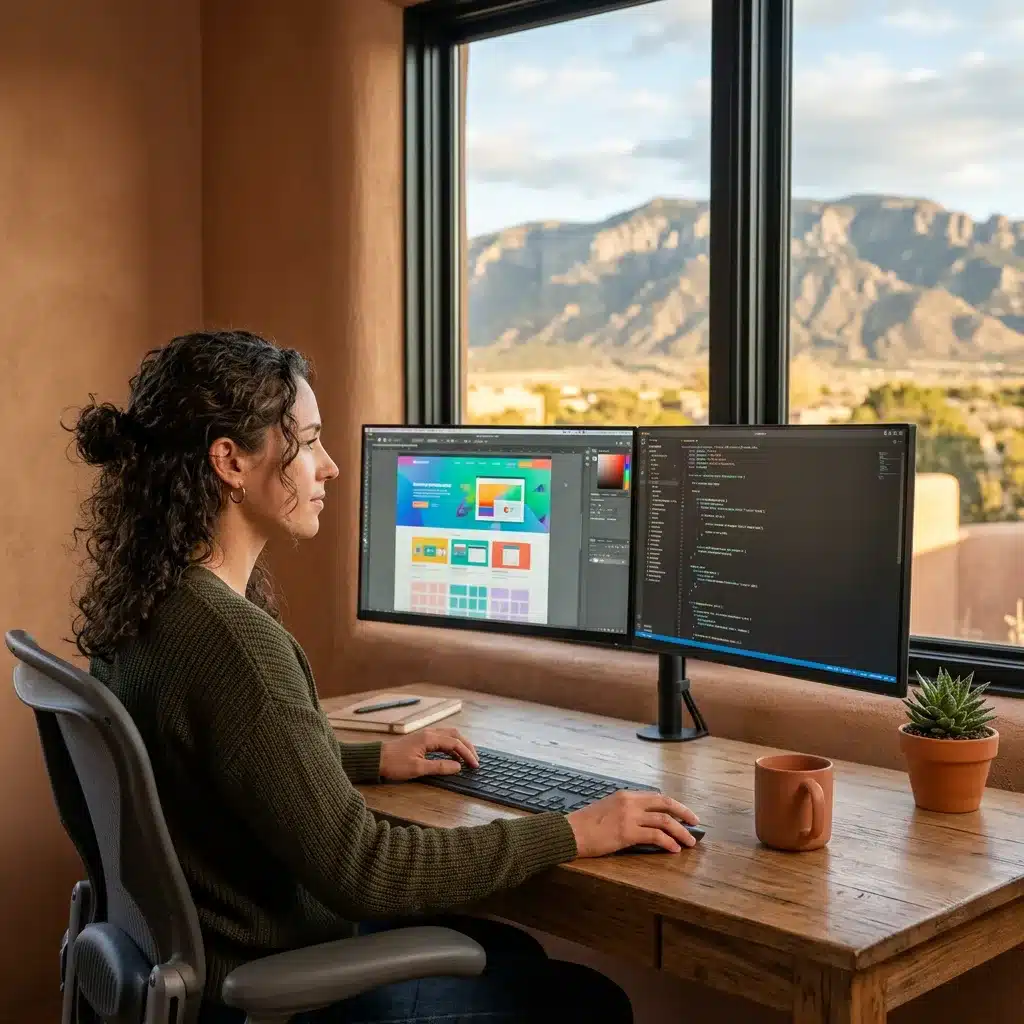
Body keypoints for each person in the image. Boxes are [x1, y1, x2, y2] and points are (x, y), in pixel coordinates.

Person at [67, 330, 700, 1023]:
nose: (331, 467)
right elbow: (366, 871)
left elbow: (213, 762)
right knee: (590, 1003)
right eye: (309, 442)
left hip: (209, 961)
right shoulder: (234, 644)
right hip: (268, 980)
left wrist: (368, 760)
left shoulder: (152, 607)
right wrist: (573, 831)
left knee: (513, 952)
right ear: (231, 461)